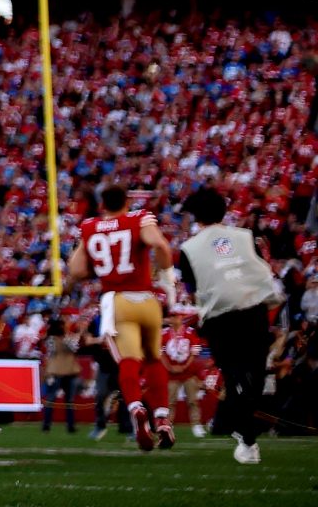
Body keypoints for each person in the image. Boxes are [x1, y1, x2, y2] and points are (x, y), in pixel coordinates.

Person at [175, 186, 283, 466]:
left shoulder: (189, 248)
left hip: (222, 319)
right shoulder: (245, 237)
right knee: (254, 378)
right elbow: (260, 268)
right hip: (252, 311)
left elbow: (192, 288)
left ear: (196, 216)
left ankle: (244, 434)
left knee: (237, 378)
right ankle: (246, 437)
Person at [66, 183, 176, 452]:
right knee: (153, 358)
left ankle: (136, 408)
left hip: (117, 301)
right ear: (127, 202)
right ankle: (162, 417)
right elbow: (160, 244)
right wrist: (166, 275)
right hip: (147, 300)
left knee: (129, 360)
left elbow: (77, 269)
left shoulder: (90, 227)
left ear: (102, 204)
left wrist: (101, 267)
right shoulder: (139, 218)